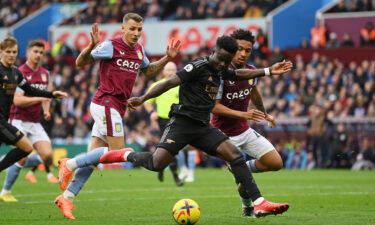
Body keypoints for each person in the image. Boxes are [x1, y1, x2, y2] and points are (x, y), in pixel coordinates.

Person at [99, 36, 292, 218]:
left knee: (234, 155)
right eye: (220, 59)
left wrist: (267, 71)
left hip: (202, 126)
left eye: (226, 61)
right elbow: (168, 83)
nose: (222, 65)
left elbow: (238, 73)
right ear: (214, 51)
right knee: (157, 164)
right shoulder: (198, 66)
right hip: (182, 123)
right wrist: (142, 98)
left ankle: (258, 203)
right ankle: (125, 155)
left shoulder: (220, 69)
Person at [55, 13, 181, 220]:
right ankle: (68, 164)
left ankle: (66, 198)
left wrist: (167, 58)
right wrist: (91, 45)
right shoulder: (110, 46)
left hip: (117, 106)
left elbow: (148, 71)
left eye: (139, 30)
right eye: (132, 29)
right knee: (117, 152)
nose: (136, 33)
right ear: (123, 29)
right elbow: (80, 62)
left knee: (93, 161)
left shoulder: (139, 50)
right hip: (105, 103)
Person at [211, 29, 289, 217]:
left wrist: (264, 114)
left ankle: (243, 170)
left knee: (276, 163)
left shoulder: (251, 71)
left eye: (247, 50)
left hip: (243, 130)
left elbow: (252, 91)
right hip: (223, 137)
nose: (244, 53)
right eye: (239, 49)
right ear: (231, 49)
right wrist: (243, 114)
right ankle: (248, 207)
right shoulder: (221, 73)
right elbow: (213, 107)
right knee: (245, 181)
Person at [0, 40, 59, 202]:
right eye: (8, 52)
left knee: (44, 154)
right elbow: (18, 101)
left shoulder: (17, 73)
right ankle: (5, 191)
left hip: (31, 121)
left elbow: (32, 90)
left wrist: (51, 97)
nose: (12, 55)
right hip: (16, 119)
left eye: (14, 52)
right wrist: (42, 97)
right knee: (24, 150)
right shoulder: (19, 70)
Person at [143, 61, 183, 186]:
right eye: (168, 69)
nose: (171, 72)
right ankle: (175, 175)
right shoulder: (157, 85)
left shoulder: (181, 85)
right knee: (168, 148)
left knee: (171, 148)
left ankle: (161, 167)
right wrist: (151, 114)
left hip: (177, 120)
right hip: (162, 120)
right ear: (163, 71)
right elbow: (147, 101)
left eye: (173, 69)